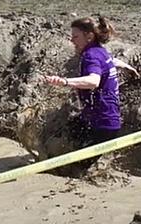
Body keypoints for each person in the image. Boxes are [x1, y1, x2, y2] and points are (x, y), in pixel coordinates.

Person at [43, 16, 123, 147]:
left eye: (75, 37)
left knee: (72, 165)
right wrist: (126, 66)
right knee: (61, 135)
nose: (71, 40)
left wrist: (64, 82)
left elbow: (94, 81)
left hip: (101, 124)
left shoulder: (91, 55)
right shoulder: (101, 51)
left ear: (89, 36)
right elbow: (109, 62)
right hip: (100, 119)